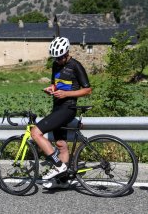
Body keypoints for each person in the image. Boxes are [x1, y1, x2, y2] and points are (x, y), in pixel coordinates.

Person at [31, 37, 92, 189]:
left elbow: (87, 90)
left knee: (35, 132)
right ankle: (63, 180)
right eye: (55, 58)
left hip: (68, 108)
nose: (58, 60)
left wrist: (66, 95)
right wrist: (51, 89)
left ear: (67, 53)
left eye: (60, 57)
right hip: (57, 108)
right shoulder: (55, 65)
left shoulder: (76, 65)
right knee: (61, 145)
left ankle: (58, 165)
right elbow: (55, 84)